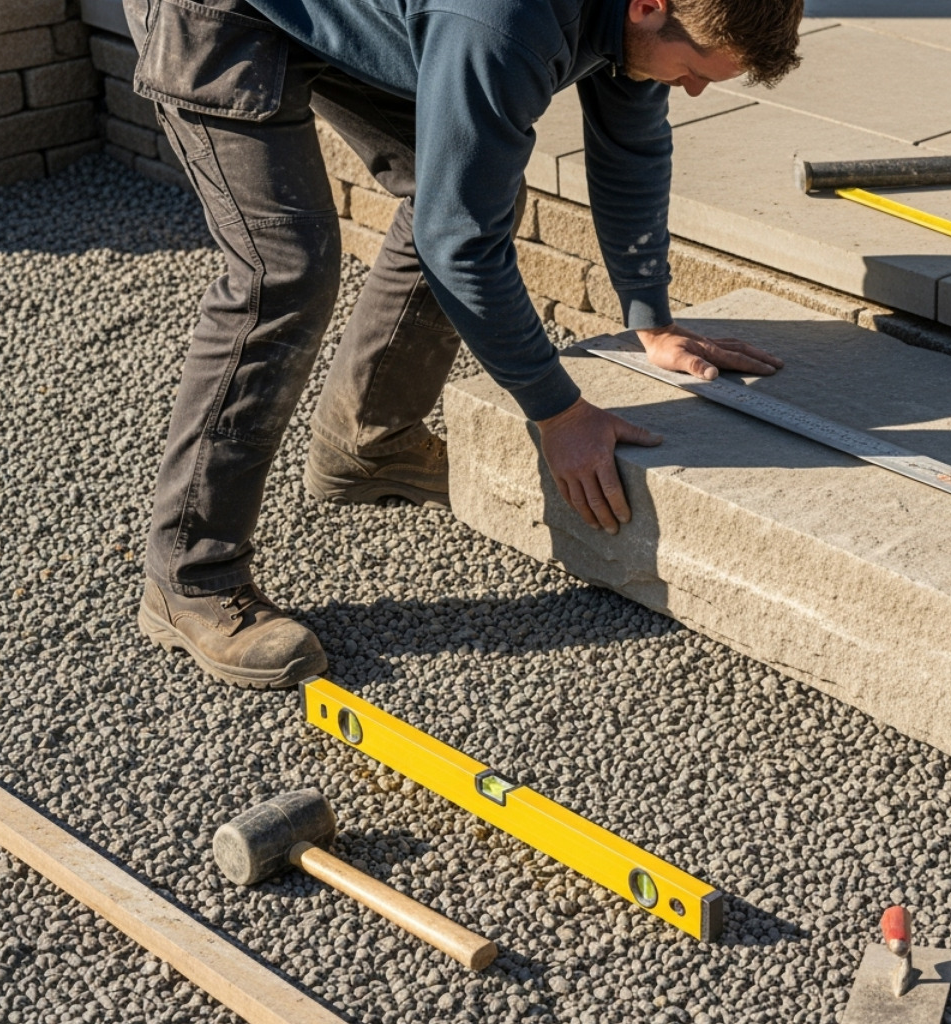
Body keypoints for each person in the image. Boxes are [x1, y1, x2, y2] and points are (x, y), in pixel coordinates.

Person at [124, 0, 802, 691]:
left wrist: (651, 317)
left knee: (473, 192)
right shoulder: (506, 22)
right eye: (693, 71)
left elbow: (629, 149)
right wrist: (559, 413)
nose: (693, 90)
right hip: (221, 13)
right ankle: (190, 578)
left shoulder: (633, 22)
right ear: (648, 7)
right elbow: (459, 247)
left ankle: (366, 443)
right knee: (284, 272)